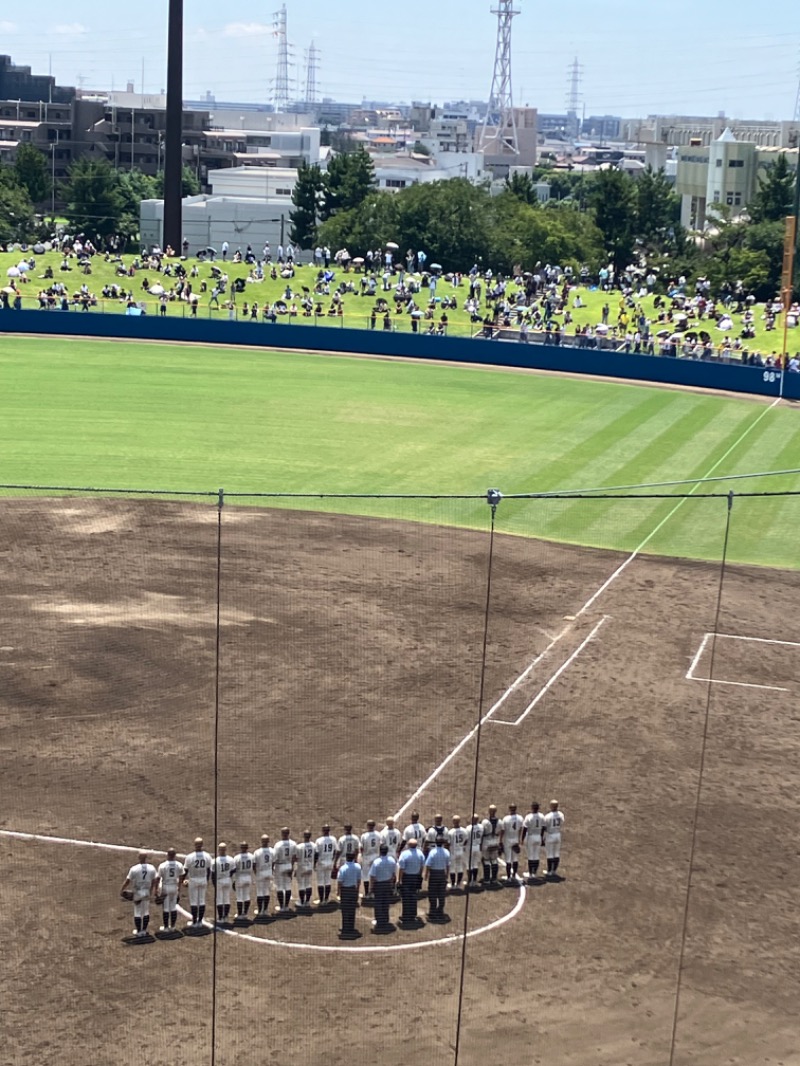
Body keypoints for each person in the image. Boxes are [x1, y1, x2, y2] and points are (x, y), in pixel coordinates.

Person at [120, 851, 157, 937]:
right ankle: (144, 930)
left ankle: (139, 931)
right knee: (146, 912)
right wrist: (151, 891)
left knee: (137, 912)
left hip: (138, 892)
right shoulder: (151, 868)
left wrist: (122, 890)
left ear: (139, 857)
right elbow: (154, 881)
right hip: (147, 891)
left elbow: (127, 881)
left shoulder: (134, 869)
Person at [183, 837, 213, 927]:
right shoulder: (207, 856)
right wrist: (206, 880)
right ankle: (200, 921)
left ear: (195, 845)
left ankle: (194, 921)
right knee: (201, 901)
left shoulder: (190, 857)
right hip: (203, 879)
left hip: (193, 880)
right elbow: (208, 870)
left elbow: (185, 870)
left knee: (194, 902)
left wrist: (182, 880)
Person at [155, 848, 185, 932]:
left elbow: (158, 878)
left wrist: (156, 890)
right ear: (175, 855)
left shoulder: (163, 865)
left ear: (167, 855)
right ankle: (173, 926)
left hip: (166, 887)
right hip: (174, 887)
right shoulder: (179, 865)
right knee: (173, 907)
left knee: (166, 908)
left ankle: (166, 927)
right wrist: (179, 887)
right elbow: (181, 876)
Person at [368, 843, 398, 930]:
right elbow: (393, 874)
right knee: (386, 903)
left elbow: (372, 876)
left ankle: (379, 921)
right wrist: (391, 883)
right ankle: (385, 920)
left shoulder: (376, 862)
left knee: (378, 904)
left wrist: (371, 888)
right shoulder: (392, 860)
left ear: (380, 851)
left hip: (379, 885)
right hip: (387, 884)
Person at [397, 838, 424, 924]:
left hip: (407, 878)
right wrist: (419, 875)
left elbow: (401, 868)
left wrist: (399, 879)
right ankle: (413, 915)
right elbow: (422, 866)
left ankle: (406, 916)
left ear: (408, 845)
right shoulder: (420, 854)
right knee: (414, 896)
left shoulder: (404, 854)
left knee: (406, 897)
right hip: (415, 877)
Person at [337, 850, 362, 939]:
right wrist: (357, 890)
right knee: (352, 909)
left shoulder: (343, 868)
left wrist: (338, 891)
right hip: (353, 890)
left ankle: (345, 928)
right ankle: (351, 927)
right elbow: (359, 880)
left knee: (345, 910)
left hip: (345, 891)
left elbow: (340, 881)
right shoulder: (358, 867)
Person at [424, 836, 451, 920]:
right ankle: (440, 911)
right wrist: (447, 874)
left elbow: (428, 864)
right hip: (442, 874)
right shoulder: (446, 852)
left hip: (434, 874)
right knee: (441, 894)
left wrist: (426, 875)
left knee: (432, 893)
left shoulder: (433, 852)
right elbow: (448, 865)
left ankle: (433, 912)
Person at [273, 827, 298, 912]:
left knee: (280, 887)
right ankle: (286, 906)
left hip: (280, 866)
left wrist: (272, 868)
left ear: (282, 833)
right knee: (287, 886)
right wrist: (292, 867)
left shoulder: (278, 845)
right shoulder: (293, 844)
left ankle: (282, 907)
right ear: (289, 833)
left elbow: (274, 858)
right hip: (288, 865)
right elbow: (294, 857)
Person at [314, 824, 337, 905]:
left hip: (321, 863)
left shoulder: (319, 840)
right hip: (329, 862)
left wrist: (314, 863)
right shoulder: (333, 839)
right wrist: (332, 859)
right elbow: (335, 851)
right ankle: (326, 899)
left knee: (320, 882)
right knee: (327, 881)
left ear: (323, 830)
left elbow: (316, 853)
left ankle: (321, 900)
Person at [522, 802, 546, 880]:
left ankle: (530, 873)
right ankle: (534, 873)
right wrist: (541, 838)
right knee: (536, 856)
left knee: (531, 856)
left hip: (531, 837)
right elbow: (543, 828)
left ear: (532, 807)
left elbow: (525, 829)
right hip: (538, 836)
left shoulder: (529, 817)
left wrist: (522, 839)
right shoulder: (542, 816)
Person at [501, 803, 524, 884]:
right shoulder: (520, 818)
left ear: (509, 809)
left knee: (508, 860)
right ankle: (514, 875)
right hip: (515, 839)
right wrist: (519, 838)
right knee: (515, 859)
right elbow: (521, 829)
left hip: (507, 840)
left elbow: (503, 831)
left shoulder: (506, 819)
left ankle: (508, 877)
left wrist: (500, 840)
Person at [253, 834, 274, 918]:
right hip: (268, 872)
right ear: (268, 841)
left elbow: (254, 864)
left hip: (260, 873)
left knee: (260, 892)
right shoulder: (272, 851)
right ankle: (265, 910)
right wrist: (270, 870)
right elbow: (273, 862)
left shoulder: (257, 852)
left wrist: (256, 873)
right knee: (266, 892)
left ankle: (260, 911)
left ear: (261, 841)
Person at [232, 842, 254, 920]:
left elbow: (234, 870)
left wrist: (233, 881)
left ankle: (240, 914)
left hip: (240, 878)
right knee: (247, 896)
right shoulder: (251, 856)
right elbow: (254, 866)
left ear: (241, 847)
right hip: (248, 877)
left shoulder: (237, 858)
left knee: (240, 898)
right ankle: (245, 914)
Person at [212, 843, 234, 923]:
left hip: (219, 880)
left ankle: (221, 918)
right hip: (227, 879)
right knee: (227, 899)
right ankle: (226, 917)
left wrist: (214, 884)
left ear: (219, 850)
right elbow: (233, 870)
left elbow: (213, 874)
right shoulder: (230, 859)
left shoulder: (215, 861)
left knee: (220, 900)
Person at [543, 800, 565, 877]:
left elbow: (544, 827)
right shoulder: (561, 814)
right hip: (558, 835)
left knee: (550, 854)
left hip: (550, 835)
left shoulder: (548, 816)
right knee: (556, 853)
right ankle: (554, 871)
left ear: (551, 806)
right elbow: (561, 822)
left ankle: (549, 871)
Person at [481, 805, 502, 885]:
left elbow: (482, 833)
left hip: (487, 841)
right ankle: (494, 878)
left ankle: (486, 879)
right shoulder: (500, 821)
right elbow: (501, 831)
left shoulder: (485, 822)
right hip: (495, 841)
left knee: (486, 861)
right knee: (494, 860)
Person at [360, 820, 382, 897]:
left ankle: (366, 893)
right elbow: (381, 845)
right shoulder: (378, 835)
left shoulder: (364, 836)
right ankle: (373, 892)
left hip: (366, 857)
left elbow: (361, 848)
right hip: (376, 856)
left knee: (366, 876)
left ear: (368, 826)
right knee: (375, 875)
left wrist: (362, 856)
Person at [295, 830, 316, 908]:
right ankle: (307, 901)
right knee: (308, 884)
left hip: (302, 867)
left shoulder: (299, 846)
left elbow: (296, 858)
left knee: (301, 885)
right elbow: (316, 854)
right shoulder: (314, 845)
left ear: (304, 836)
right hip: (310, 866)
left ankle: (302, 901)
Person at [449, 816, 469, 889]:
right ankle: (458, 884)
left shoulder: (451, 832)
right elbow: (466, 840)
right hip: (461, 851)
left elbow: (448, 843)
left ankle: (453, 885)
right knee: (460, 867)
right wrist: (462, 845)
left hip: (453, 851)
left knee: (452, 869)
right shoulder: (464, 830)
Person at [466, 814, 484, 888]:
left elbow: (466, 839)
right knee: (475, 864)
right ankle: (474, 880)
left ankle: (470, 881)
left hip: (470, 847)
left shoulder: (469, 828)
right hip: (478, 846)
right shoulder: (481, 827)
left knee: (469, 865)